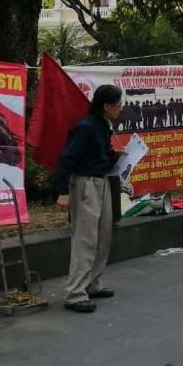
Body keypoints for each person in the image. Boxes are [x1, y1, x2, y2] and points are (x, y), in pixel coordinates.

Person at [56, 85, 124, 313]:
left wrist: (118, 156)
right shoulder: (85, 127)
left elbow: (100, 155)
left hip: (101, 181)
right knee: (85, 239)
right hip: (85, 184)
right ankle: (75, 294)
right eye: (117, 104)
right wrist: (63, 191)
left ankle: (93, 284)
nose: (120, 108)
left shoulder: (104, 125)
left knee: (103, 235)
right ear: (106, 106)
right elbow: (67, 159)